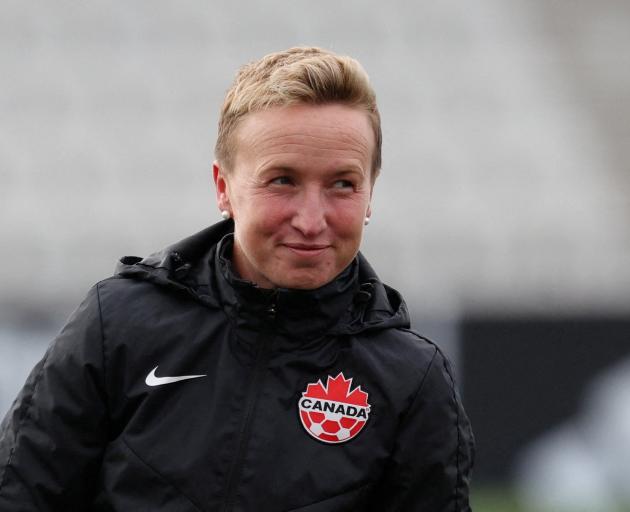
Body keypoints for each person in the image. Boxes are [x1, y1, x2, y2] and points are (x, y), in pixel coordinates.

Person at [0, 47, 474, 511]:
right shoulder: (119, 323)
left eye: (342, 184)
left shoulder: (413, 380)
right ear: (223, 187)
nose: (312, 220)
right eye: (282, 180)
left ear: (370, 195)